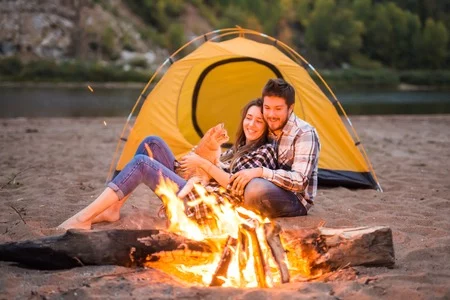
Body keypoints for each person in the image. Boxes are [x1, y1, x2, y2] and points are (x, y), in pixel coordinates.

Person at [58, 98, 277, 230]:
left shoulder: (264, 151)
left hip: (205, 207)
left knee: (142, 163)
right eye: (249, 117)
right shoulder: (238, 147)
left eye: (259, 121)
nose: (252, 124)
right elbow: (216, 172)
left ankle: (83, 218)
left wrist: (202, 163)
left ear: (267, 127)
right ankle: (112, 209)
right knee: (151, 143)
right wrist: (200, 168)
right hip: (197, 189)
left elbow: (234, 185)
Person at [227, 78, 321, 218]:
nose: (271, 115)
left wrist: (260, 172)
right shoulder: (267, 125)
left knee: (255, 188)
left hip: (295, 199)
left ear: (290, 108)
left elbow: (300, 181)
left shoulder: (304, 133)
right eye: (267, 108)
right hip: (267, 185)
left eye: (278, 109)